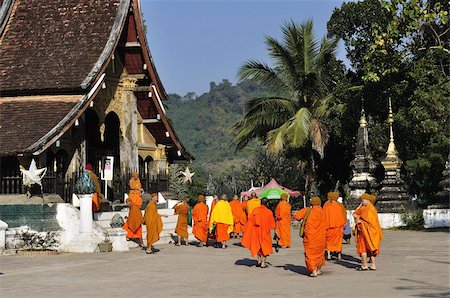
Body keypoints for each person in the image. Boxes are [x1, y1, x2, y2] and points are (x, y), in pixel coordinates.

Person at [294, 196, 327, 277]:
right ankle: (318, 270)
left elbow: (297, 216)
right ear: (320, 203)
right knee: (320, 253)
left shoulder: (308, 210)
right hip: (321, 236)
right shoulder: (323, 211)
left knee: (310, 253)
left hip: (310, 236)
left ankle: (313, 270)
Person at [242, 198, 276, 268]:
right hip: (265, 233)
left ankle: (259, 261)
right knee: (265, 247)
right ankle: (263, 263)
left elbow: (250, 221)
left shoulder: (255, 210)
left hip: (256, 231)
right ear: (267, 204)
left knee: (257, 245)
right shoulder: (269, 212)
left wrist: (248, 231)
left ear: (260, 203)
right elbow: (272, 224)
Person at [353, 193, 383, 271]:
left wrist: (360, 221)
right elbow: (355, 213)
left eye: (362, 201)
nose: (362, 202)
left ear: (368, 200)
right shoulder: (367, 208)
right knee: (371, 247)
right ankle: (372, 265)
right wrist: (360, 206)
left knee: (366, 248)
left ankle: (365, 265)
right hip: (369, 232)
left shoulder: (370, 209)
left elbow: (370, 223)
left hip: (367, 232)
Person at [323, 191, 347, 260]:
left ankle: (329, 255)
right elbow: (344, 215)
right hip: (338, 227)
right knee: (338, 242)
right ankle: (339, 255)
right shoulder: (340, 206)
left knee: (328, 241)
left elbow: (324, 216)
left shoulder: (327, 206)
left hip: (329, 227)